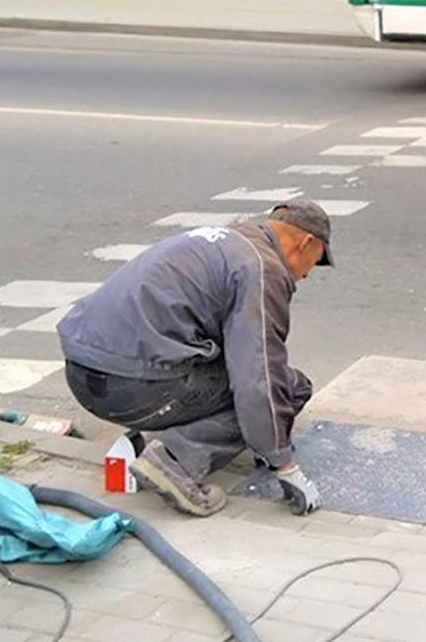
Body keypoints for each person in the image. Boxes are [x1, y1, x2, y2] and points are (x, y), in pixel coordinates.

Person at [57, 202, 334, 518]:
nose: (309, 273)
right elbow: (259, 377)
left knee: (244, 377)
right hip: (132, 388)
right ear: (307, 243)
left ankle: (163, 436)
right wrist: (284, 465)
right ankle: (175, 462)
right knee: (287, 387)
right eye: (317, 261)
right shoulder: (262, 268)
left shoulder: (225, 241)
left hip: (82, 373)